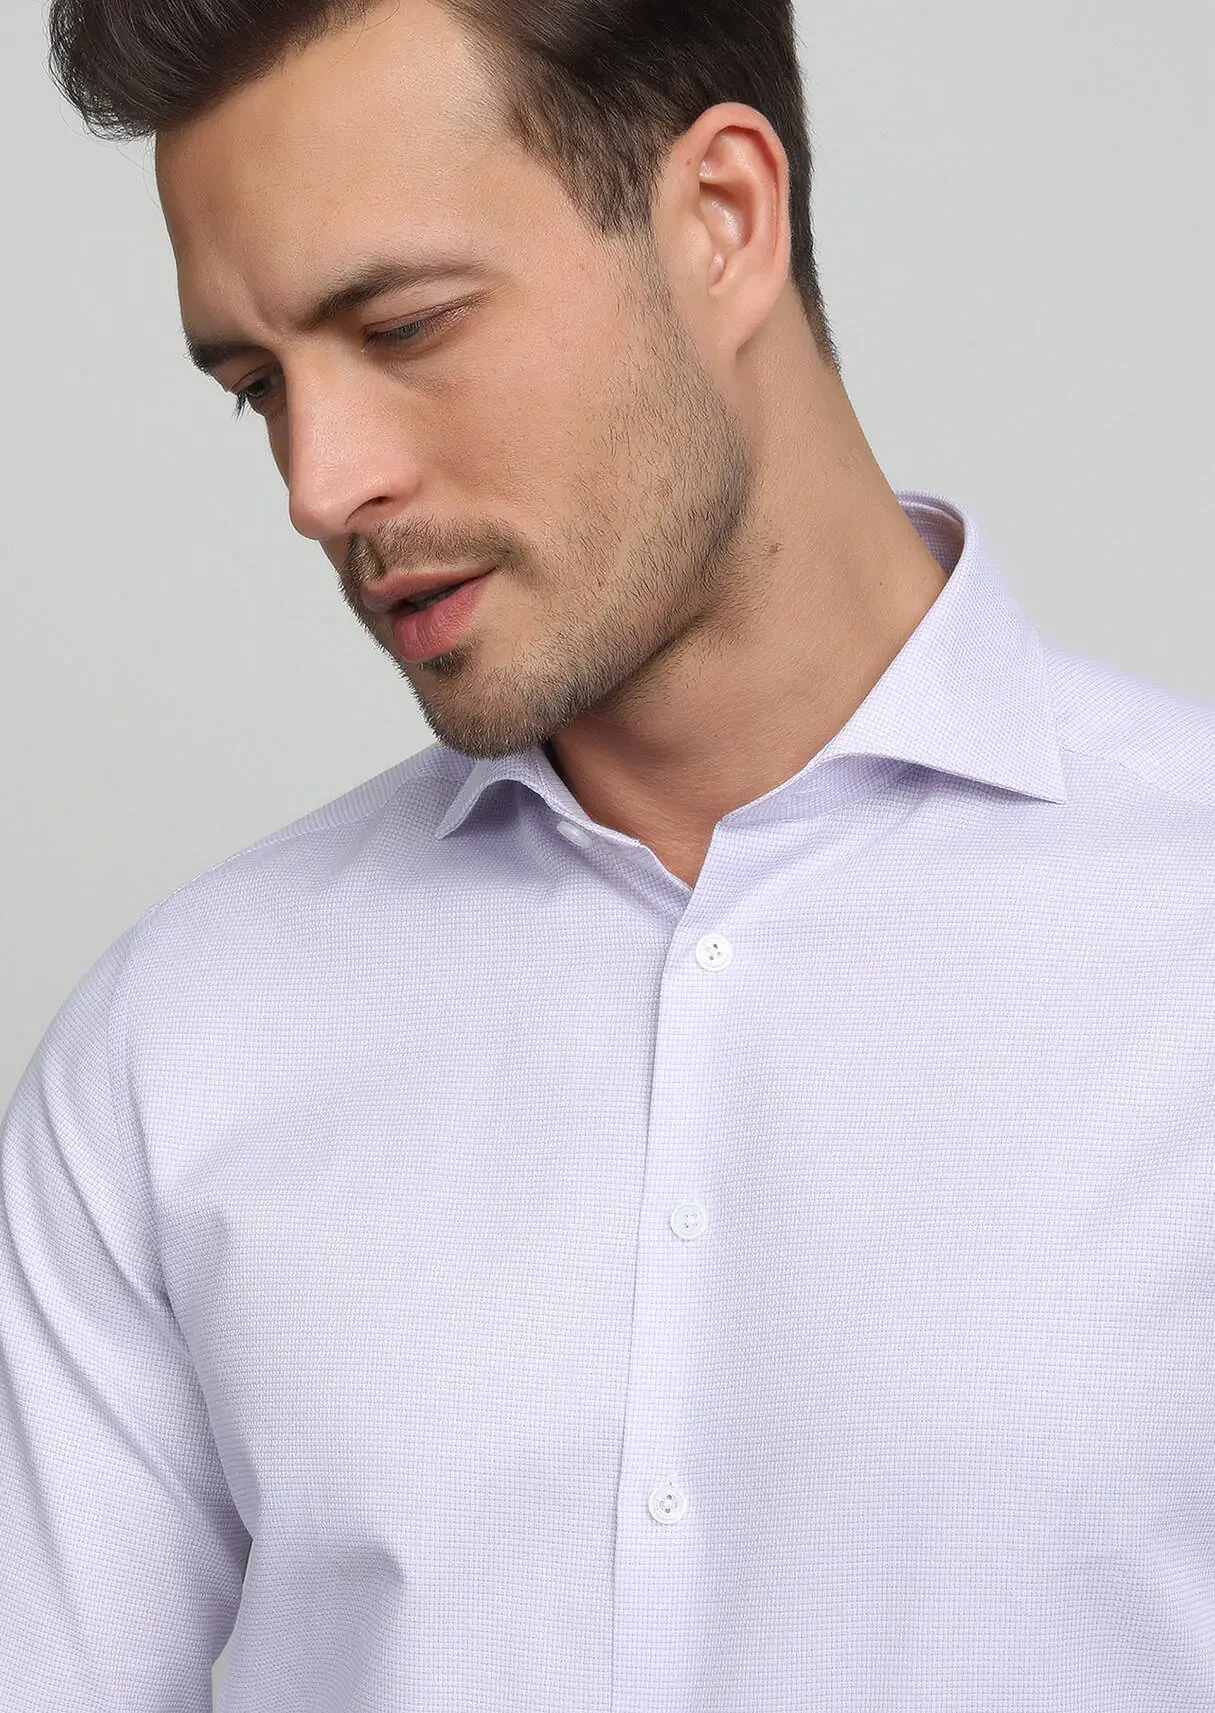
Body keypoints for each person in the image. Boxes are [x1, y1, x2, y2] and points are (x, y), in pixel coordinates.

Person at [3, 0, 1213, 1707]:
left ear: (722, 218)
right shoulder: (174, 1054)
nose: (319, 485)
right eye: (258, 387)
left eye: (404, 326)